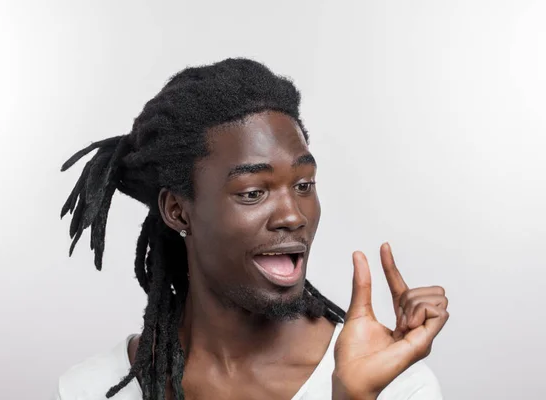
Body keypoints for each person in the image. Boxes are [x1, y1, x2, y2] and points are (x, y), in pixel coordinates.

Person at [55, 58, 449, 400]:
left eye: (303, 185)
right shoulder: (89, 390)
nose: (293, 216)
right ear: (177, 211)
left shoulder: (393, 383)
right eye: (253, 192)